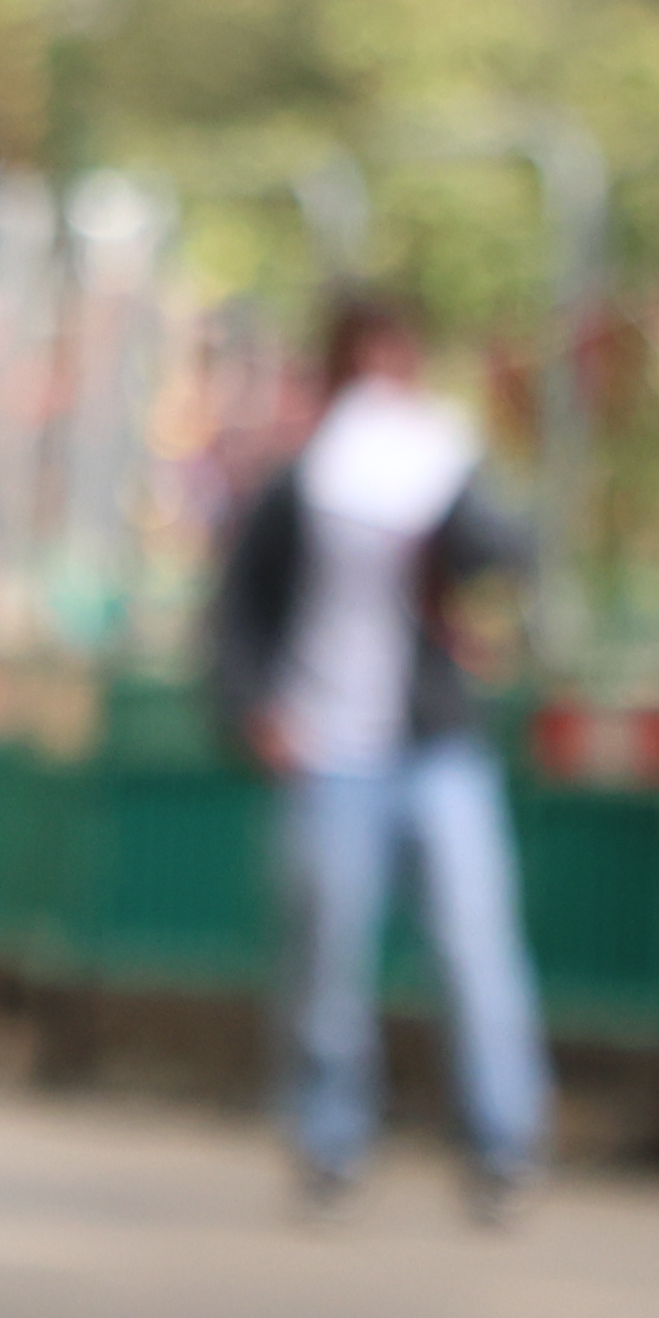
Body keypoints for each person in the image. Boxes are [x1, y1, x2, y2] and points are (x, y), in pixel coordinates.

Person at [206, 290, 549, 1215]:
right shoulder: (299, 483)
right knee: (326, 951)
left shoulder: (440, 465)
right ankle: (330, 1137)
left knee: (476, 944)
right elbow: (235, 611)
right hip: (328, 748)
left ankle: (500, 1139)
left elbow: (507, 558)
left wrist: (449, 489)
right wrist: (254, 714)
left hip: (436, 745)